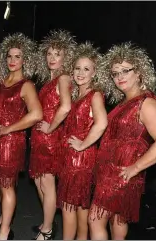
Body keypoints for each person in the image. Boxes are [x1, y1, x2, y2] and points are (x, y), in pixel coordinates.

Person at [89, 42, 156, 240]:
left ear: (140, 72)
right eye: (115, 73)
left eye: (125, 71)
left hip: (121, 173)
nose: (119, 77)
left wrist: (135, 168)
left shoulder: (146, 103)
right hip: (114, 171)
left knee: (95, 219)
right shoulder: (127, 101)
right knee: (117, 220)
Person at [0, 33, 43, 240]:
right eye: (9, 56)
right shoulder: (1, 81)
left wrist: (8, 129)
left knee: (6, 184)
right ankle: (5, 217)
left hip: (11, 141)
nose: (12, 61)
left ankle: (5, 232)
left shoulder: (26, 85)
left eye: (17, 56)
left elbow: (37, 114)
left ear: (25, 59)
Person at [56, 42, 108, 240]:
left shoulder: (94, 95)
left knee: (70, 207)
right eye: (77, 68)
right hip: (77, 158)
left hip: (80, 160)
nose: (80, 73)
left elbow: (102, 123)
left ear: (95, 73)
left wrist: (82, 144)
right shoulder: (79, 94)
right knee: (80, 207)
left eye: (86, 69)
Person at [29, 30, 76, 240]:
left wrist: (50, 128)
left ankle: (47, 230)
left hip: (50, 138)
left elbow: (66, 107)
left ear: (66, 57)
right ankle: (48, 221)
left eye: (57, 54)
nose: (52, 58)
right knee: (40, 182)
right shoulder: (51, 79)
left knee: (47, 183)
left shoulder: (64, 77)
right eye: (49, 54)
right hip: (40, 137)